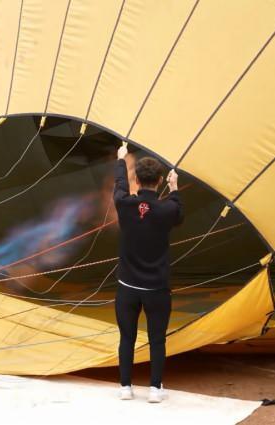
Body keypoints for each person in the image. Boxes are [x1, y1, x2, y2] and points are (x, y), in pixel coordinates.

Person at [113, 144, 183, 403]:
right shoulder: (167, 210)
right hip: (156, 288)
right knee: (157, 339)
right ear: (161, 180)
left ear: (137, 179)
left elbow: (119, 184)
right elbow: (178, 209)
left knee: (127, 338)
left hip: (127, 286)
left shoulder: (124, 204)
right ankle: (155, 388)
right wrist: (174, 187)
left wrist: (121, 161)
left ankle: (125, 387)